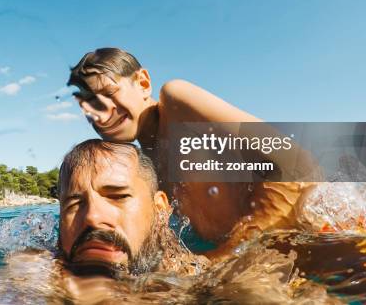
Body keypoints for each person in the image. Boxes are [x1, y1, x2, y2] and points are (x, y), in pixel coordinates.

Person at [67, 47, 318, 258]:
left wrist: (230, 254)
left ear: (143, 83)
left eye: (109, 94)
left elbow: (295, 161)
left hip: (312, 237)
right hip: (262, 255)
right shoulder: (143, 168)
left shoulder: (176, 102)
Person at [57, 138, 209, 276]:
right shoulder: (38, 271)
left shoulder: (204, 276)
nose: (92, 217)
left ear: (160, 209)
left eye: (118, 196)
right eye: (74, 204)